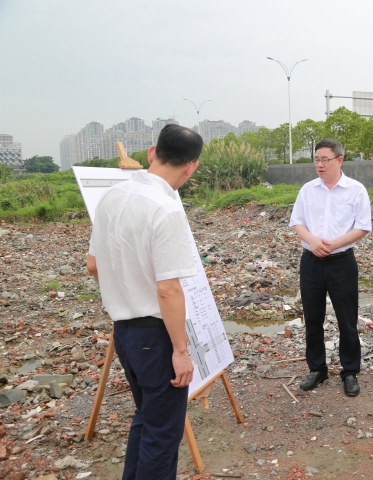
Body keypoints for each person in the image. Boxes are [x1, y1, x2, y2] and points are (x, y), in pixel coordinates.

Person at [86, 124, 203, 480]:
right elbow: (168, 290)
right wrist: (180, 351)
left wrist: (125, 290)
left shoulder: (110, 197)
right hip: (155, 336)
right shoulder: (166, 209)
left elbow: (93, 265)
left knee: (148, 418)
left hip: (124, 332)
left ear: (152, 152)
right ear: (191, 167)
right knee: (162, 434)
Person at [289, 138, 371, 397]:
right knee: (313, 318)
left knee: (347, 319)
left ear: (339, 160)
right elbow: (297, 222)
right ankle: (317, 369)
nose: (320, 164)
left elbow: (362, 226)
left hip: (341, 262)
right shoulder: (308, 190)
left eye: (325, 159)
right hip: (311, 262)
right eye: (316, 160)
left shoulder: (355, 190)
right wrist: (313, 241)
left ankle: (350, 372)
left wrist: (333, 244)